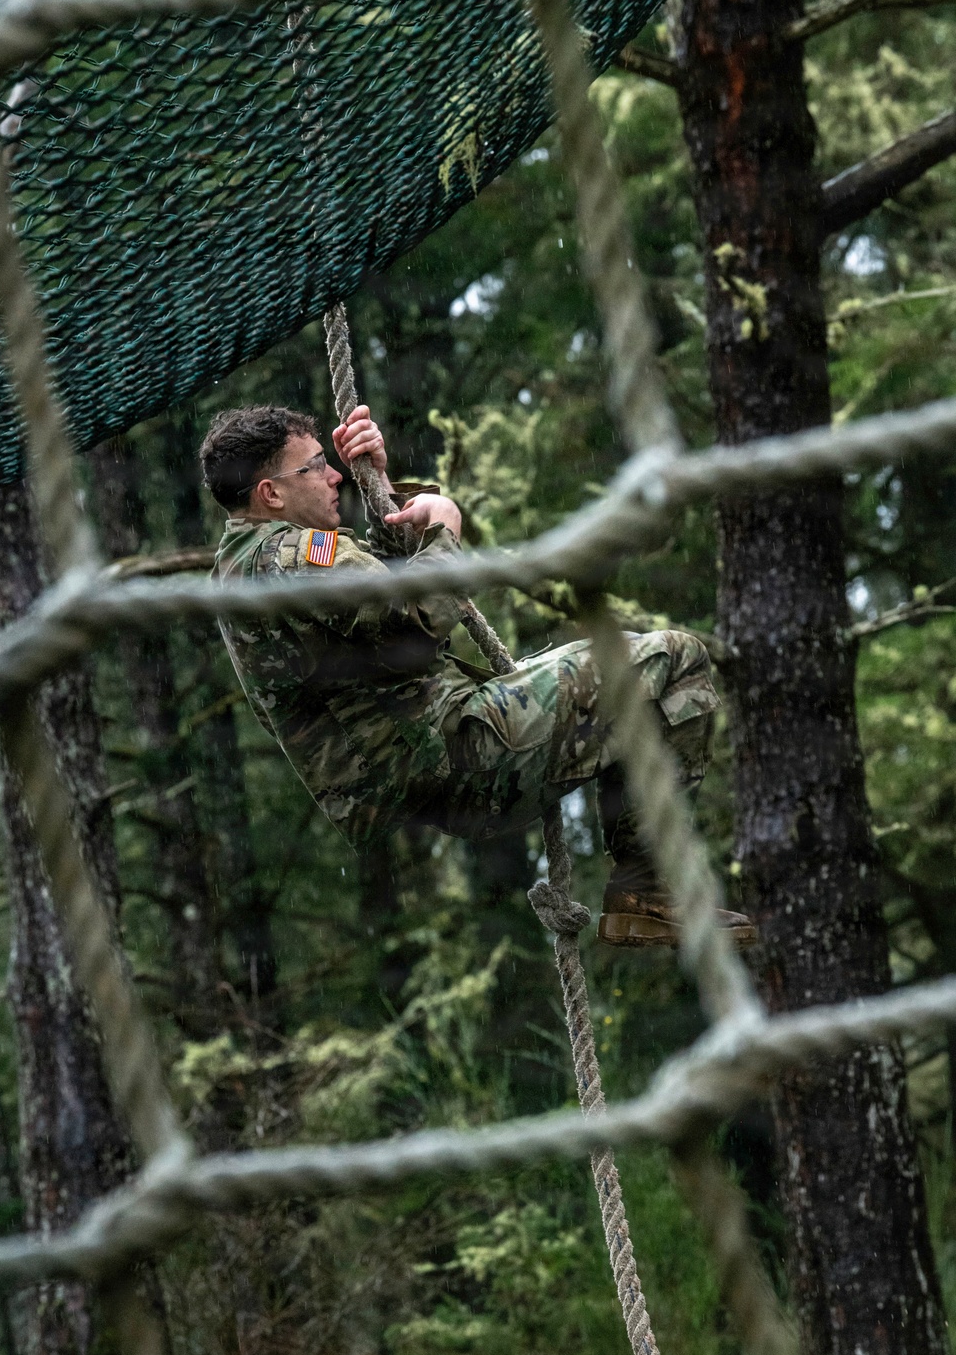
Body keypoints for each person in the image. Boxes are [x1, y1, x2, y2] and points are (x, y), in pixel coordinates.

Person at [204, 402, 755, 947]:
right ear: (270, 494)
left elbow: (365, 616)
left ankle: (643, 892)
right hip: (453, 755)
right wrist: (446, 530)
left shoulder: (251, 562)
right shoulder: (291, 557)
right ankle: (646, 889)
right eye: (314, 466)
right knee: (673, 660)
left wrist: (387, 492)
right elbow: (413, 623)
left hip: (424, 770)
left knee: (631, 663)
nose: (335, 476)